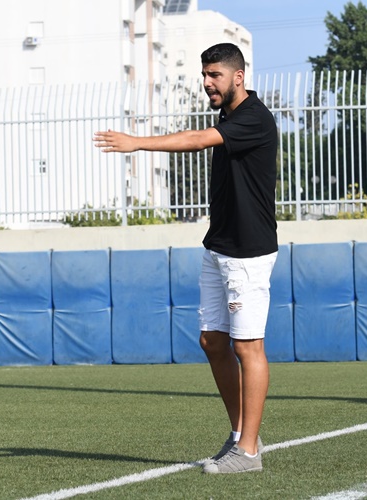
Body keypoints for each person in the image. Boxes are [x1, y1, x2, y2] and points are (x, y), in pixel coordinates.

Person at [94, 42, 278, 474]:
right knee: (212, 341)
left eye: (215, 75)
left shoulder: (254, 117)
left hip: (248, 252)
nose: (207, 83)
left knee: (247, 346)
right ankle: (241, 435)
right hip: (218, 247)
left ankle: (248, 454)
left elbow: (197, 140)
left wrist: (137, 143)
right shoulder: (229, 115)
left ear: (238, 77)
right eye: (205, 75)